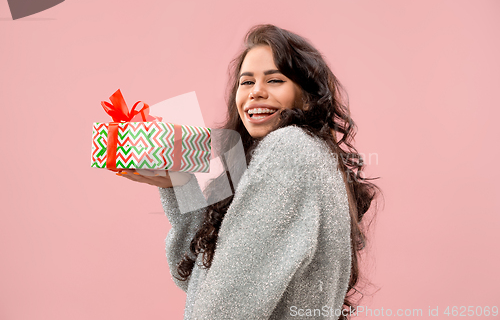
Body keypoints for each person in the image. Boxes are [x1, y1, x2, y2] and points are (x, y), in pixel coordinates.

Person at [118, 24, 381, 320]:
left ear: (306, 98)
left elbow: (220, 311)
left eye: (275, 80)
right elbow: (195, 280)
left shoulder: (289, 150)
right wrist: (182, 184)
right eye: (246, 82)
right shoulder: (310, 154)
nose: (256, 92)